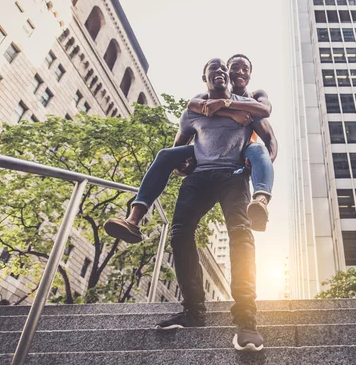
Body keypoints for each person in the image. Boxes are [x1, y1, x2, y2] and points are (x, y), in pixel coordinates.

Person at [103, 54, 276, 243]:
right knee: (166, 155)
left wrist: (262, 163)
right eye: (234, 67)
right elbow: (194, 105)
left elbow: (265, 114)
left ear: (250, 75)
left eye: (245, 69)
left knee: (258, 150)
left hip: (241, 151)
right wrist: (228, 111)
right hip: (206, 151)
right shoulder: (207, 96)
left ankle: (260, 202)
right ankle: (133, 219)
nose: (239, 72)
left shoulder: (254, 100)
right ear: (227, 71)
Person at [156, 58, 266, 351]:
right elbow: (179, 151)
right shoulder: (193, 111)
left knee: (240, 233)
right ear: (204, 78)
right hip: (200, 178)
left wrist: (259, 165)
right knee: (180, 232)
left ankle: (246, 319)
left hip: (234, 176)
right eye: (213, 71)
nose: (220, 74)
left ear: (230, 79)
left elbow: (268, 136)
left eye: (224, 71)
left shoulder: (245, 105)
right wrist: (182, 166)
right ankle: (193, 311)